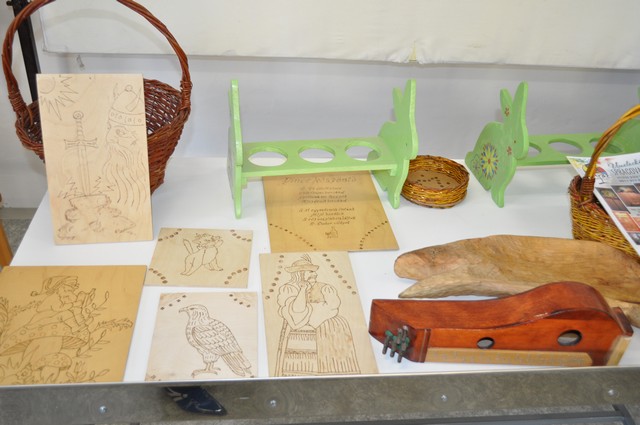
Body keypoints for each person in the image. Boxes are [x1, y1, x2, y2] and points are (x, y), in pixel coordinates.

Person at [275, 255, 359, 376]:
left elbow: (333, 306)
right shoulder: (288, 289)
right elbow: (296, 314)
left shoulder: (325, 287)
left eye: (314, 271)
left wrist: (316, 310)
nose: (314, 274)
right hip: (299, 335)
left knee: (329, 364)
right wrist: (303, 291)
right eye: (310, 271)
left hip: (328, 331)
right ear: (300, 273)